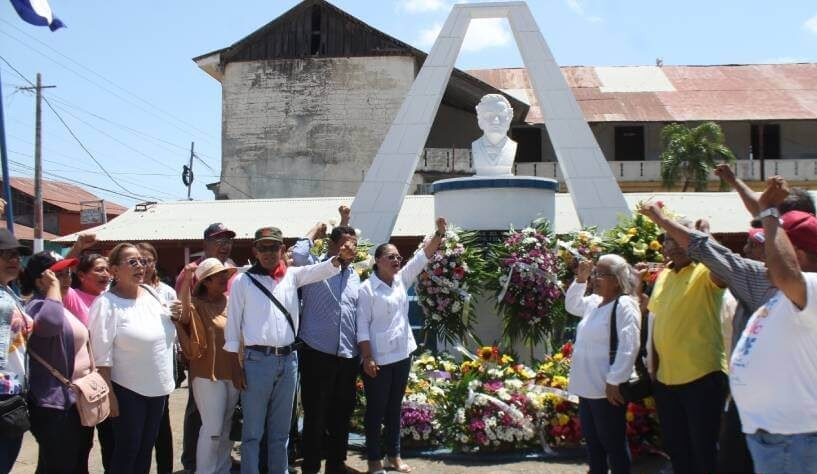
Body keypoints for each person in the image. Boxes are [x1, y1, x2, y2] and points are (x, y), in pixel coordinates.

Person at [224, 226, 356, 474]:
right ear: (255, 250)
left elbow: (322, 269)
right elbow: (232, 330)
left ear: (282, 249)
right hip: (256, 361)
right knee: (252, 433)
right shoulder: (243, 281)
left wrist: (339, 258)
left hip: (288, 361)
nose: (268, 253)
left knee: (281, 432)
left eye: (274, 247)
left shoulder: (293, 276)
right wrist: (236, 367)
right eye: (263, 248)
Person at [728, 177, 817, 473]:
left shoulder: (812, 286)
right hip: (779, 437)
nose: (763, 257)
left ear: (798, 256)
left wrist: (768, 212)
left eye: (773, 248)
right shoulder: (788, 295)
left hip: (797, 438)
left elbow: (785, 274)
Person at [637, 214, 727, 474]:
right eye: (667, 240)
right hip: (666, 380)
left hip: (702, 377)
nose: (672, 244)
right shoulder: (663, 276)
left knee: (704, 450)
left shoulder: (706, 271)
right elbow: (655, 318)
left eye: (678, 238)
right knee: (677, 449)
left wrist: (706, 236)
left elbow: (725, 269)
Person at [357, 217, 447, 474]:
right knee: (376, 411)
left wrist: (439, 234)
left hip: (402, 353)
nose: (397, 261)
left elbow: (421, 257)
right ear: (377, 261)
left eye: (398, 257)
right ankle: (374, 460)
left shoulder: (401, 280)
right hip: (378, 359)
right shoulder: (367, 289)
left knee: (395, 408)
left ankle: (393, 457)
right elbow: (361, 326)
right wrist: (367, 357)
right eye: (391, 257)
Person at [88, 243, 177, 474]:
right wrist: (111, 396)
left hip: (158, 389)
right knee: (128, 450)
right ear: (114, 270)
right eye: (132, 262)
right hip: (127, 391)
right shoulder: (106, 304)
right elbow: (101, 358)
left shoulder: (151, 293)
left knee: (145, 448)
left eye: (142, 261)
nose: (140, 266)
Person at [291, 205, 360, 474]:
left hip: (347, 355)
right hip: (317, 353)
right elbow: (297, 254)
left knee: (341, 414)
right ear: (331, 245)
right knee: (315, 415)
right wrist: (314, 231)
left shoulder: (355, 275)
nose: (350, 249)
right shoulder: (314, 268)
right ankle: (310, 466)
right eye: (345, 244)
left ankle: (336, 464)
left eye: (353, 245)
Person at [565, 256, 640, 474]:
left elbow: (630, 345)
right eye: (595, 273)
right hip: (587, 388)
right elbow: (572, 305)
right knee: (594, 446)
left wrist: (615, 380)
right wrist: (581, 279)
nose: (595, 279)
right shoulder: (595, 302)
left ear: (617, 280)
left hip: (606, 390)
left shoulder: (624, 304)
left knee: (613, 445)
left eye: (601, 275)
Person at [22, 252, 94, 474]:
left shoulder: (57, 304)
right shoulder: (37, 306)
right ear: (41, 279)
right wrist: (53, 289)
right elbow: (51, 324)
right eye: (58, 274)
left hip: (74, 398)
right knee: (60, 464)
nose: (67, 277)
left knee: (72, 460)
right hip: (52, 404)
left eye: (67, 272)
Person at [178, 222, 237, 473]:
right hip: (205, 367)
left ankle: (219, 467)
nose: (224, 245)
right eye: (219, 240)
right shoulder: (189, 274)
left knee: (224, 426)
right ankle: (196, 465)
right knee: (204, 423)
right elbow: (183, 314)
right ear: (206, 243)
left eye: (228, 240)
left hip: (231, 369)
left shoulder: (232, 281)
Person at [137, 242, 178, 474]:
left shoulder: (166, 292)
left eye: (147, 260)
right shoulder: (118, 292)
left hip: (162, 366)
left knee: (162, 426)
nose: (143, 265)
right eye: (137, 260)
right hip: (130, 371)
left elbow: (177, 327)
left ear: (155, 263)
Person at [0, 230, 32, 473]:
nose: (14, 260)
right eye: (6, 254)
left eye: (17, 255)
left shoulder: (9, 292)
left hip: (14, 393)